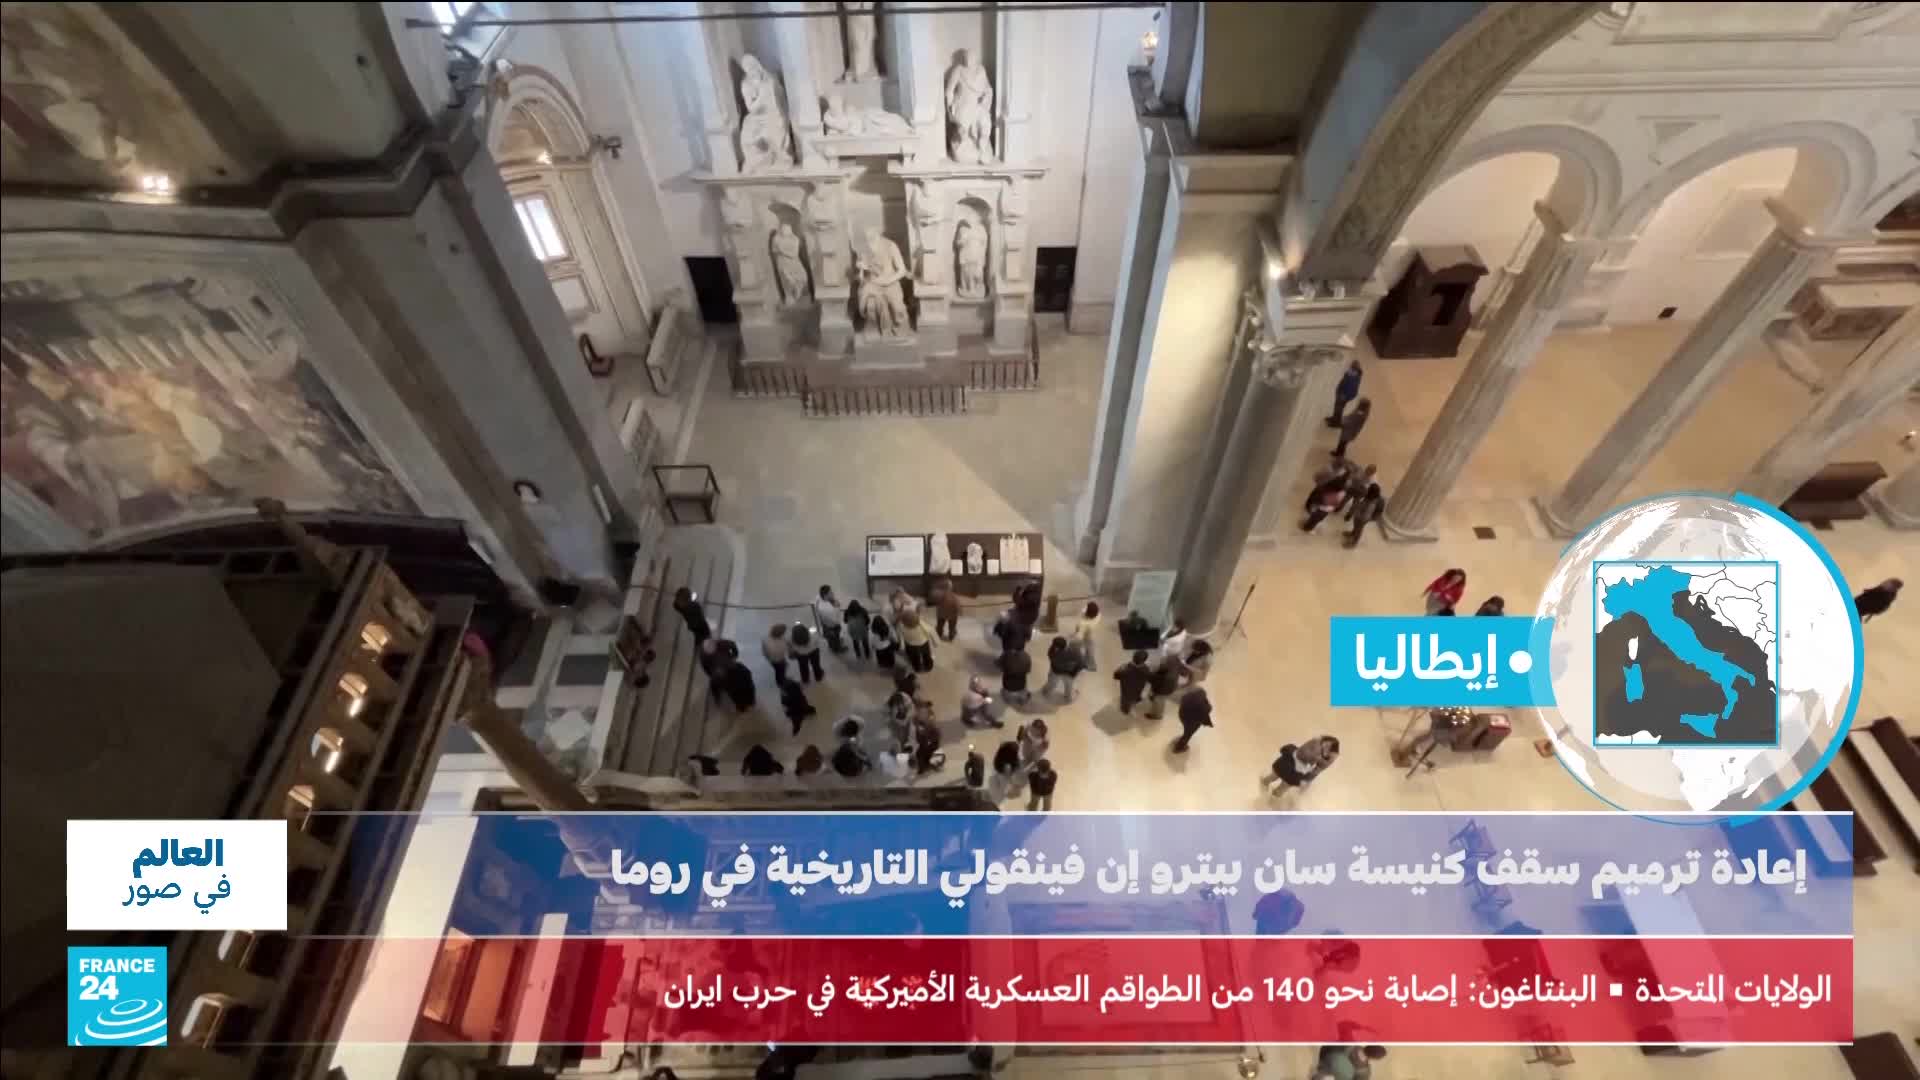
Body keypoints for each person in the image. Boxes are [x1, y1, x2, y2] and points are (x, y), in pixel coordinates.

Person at [1263, 736, 1340, 798]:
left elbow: (1316, 771)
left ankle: (1274, 796)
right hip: (1290, 761)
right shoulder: (1316, 742)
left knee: (1284, 787)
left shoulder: (1328, 757)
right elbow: (1302, 752)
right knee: (1274, 776)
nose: (1325, 748)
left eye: (1328, 748)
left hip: (1300, 771)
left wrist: (1307, 780)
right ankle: (1265, 783)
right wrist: (1317, 756)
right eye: (1326, 745)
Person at [1343, 482, 1385, 548]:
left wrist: (1372, 518)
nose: (1368, 490)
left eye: (1369, 489)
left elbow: (1379, 511)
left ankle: (1354, 543)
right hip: (1358, 513)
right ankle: (1352, 533)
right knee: (1356, 525)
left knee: (1359, 529)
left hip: (1365, 517)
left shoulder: (1380, 500)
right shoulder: (1368, 494)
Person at [1313, 1044, 1387, 1080]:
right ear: (1373, 1058)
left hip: (1323, 1067)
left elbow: (1325, 1048)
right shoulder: (1365, 1072)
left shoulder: (1349, 1045)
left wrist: (1321, 1061)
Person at [1173, 687, 1213, 753]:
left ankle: (1182, 740)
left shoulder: (1186, 697)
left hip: (1183, 717)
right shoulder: (1202, 704)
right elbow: (1209, 709)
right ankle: (1179, 748)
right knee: (1188, 734)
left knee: (1186, 730)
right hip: (1193, 721)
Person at [1326, 359, 1363, 428]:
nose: (1349, 367)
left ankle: (1336, 423)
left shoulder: (1353, 377)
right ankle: (1334, 419)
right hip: (1341, 393)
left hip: (1344, 396)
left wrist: (1344, 396)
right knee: (1337, 408)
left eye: (1351, 366)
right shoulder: (1351, 373)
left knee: (1339, 409)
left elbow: (1350, 389)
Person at [1114, 650, 1153, 714]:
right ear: (1144, 660)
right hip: (1138, 689)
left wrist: (1119, 669)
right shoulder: (1146, 669)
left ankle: (1125, 710)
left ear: (1133, 658)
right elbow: (1150, 679)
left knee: (1126, 700)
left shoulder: (1125, 669)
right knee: (1136, 696)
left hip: (1126, 689)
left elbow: (1116, 676)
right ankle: (1135, 701)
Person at [1144, 655, 1182, 719]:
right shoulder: (1176, 665)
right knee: (1161, 700)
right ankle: (1157, 711)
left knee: (1158, 702)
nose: (1161, 662)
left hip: (1162, 690)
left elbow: (1152, 679)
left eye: (1163, 662)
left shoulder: (1162, 675)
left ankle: (1156, 716)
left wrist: (1149, 671)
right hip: (1170, 687)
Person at [814, 586, 845, 653]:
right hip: (832, 626)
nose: (833, 593)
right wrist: (837, 607)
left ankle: (831, 645)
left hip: (825, 625)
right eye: (830, 593)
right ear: (826, 595)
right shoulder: (826, 609)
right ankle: (837, 649)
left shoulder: (819, 598)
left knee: (830, 638)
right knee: (835, 638)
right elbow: (836, 620)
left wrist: (833, 601)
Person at [930, 576, 962, 641]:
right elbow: (957, 605)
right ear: (950, 587)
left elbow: (934, 600)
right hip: (952, 615)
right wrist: (959, 612)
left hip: (941, 614)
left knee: (940, 626)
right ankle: (951, 637)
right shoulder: (953, 596)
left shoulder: (938, 594)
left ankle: (938, 635)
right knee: (952, 627)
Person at [1073, 601, 1101, 671]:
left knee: (1088, 650)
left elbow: (1079, 636)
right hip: (1091, 634)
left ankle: (1091, 666)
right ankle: (1089, 664)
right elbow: (1085, 609)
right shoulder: (1098, 615)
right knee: (1089, 649)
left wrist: (1075, 640)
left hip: (1087, 636)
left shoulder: (1085, 624)